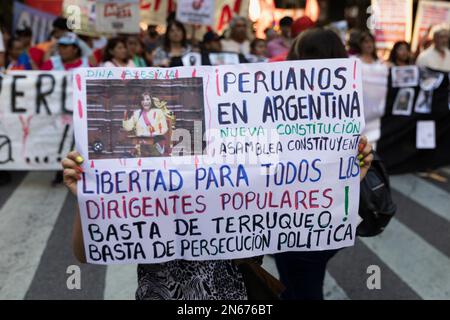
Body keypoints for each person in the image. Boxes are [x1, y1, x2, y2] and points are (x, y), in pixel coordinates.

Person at [273, 28, 374, 300]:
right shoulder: (344, 103)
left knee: (300, 282)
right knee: (298, 281)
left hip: (295, 220)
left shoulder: (277, 101)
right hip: (319, 219)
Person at [122, 91, 173, 157]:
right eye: (143, 100)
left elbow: (164, 128)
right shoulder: (137, 113)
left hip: (155, 144)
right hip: (142, 145)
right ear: (140, 102)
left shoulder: (158, 112)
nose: (145, 102)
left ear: (151, 101)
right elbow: (128, 128)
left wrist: (152, 132)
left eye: (147, 99)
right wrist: (126, 118)